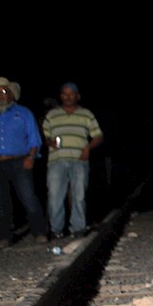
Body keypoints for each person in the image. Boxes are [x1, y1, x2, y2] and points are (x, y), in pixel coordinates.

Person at [0, 77, 49, 246]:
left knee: (28, 197)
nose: (0, 95)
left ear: (11, 93)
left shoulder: (23, 113)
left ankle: (39, 231)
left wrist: (31, 157)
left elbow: (34, 138)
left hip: (19, 161)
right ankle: (4, 236)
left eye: (4, 91)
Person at [41, 82, 104, 239]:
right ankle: (57, 229)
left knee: (79, 195)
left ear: (77, 96)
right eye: (64, 93)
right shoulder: (52, 115)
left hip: (79, 160)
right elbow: (44, 136)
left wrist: (88, 148)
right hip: (57, 160)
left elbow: (98, 136)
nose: (68, 97)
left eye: (71, 94)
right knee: (55, 196)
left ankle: (78, 228)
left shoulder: (86, 114)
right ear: (61, 96)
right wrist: (49, 143)